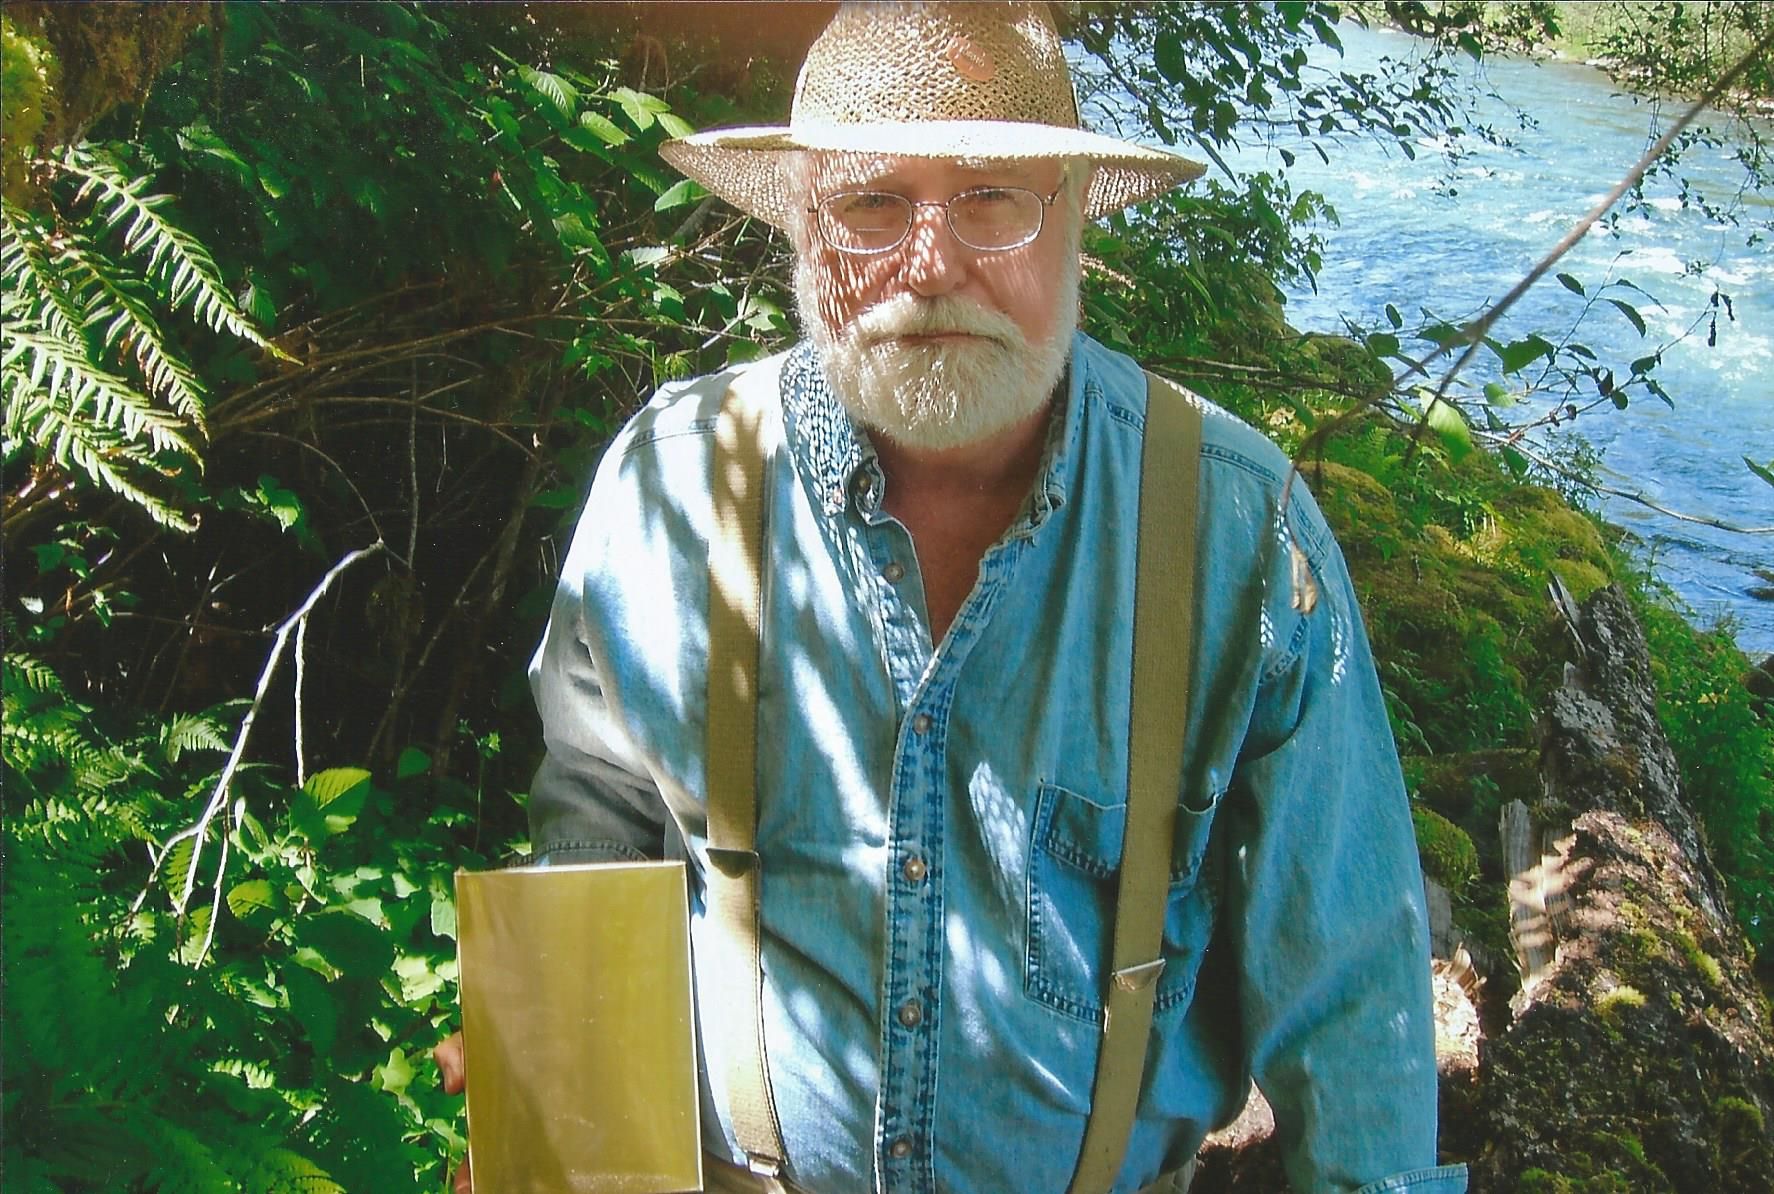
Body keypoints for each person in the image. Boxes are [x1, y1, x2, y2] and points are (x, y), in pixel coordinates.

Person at [436, 4, 1468, 1192]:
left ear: (1074, 220)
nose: (929, 265)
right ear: (800, 229)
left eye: (990, 197)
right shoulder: (674, 483)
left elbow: (1354, 998)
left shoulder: (1237, 531)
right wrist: (554, 1107)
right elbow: (599, 815)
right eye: (871, 203)